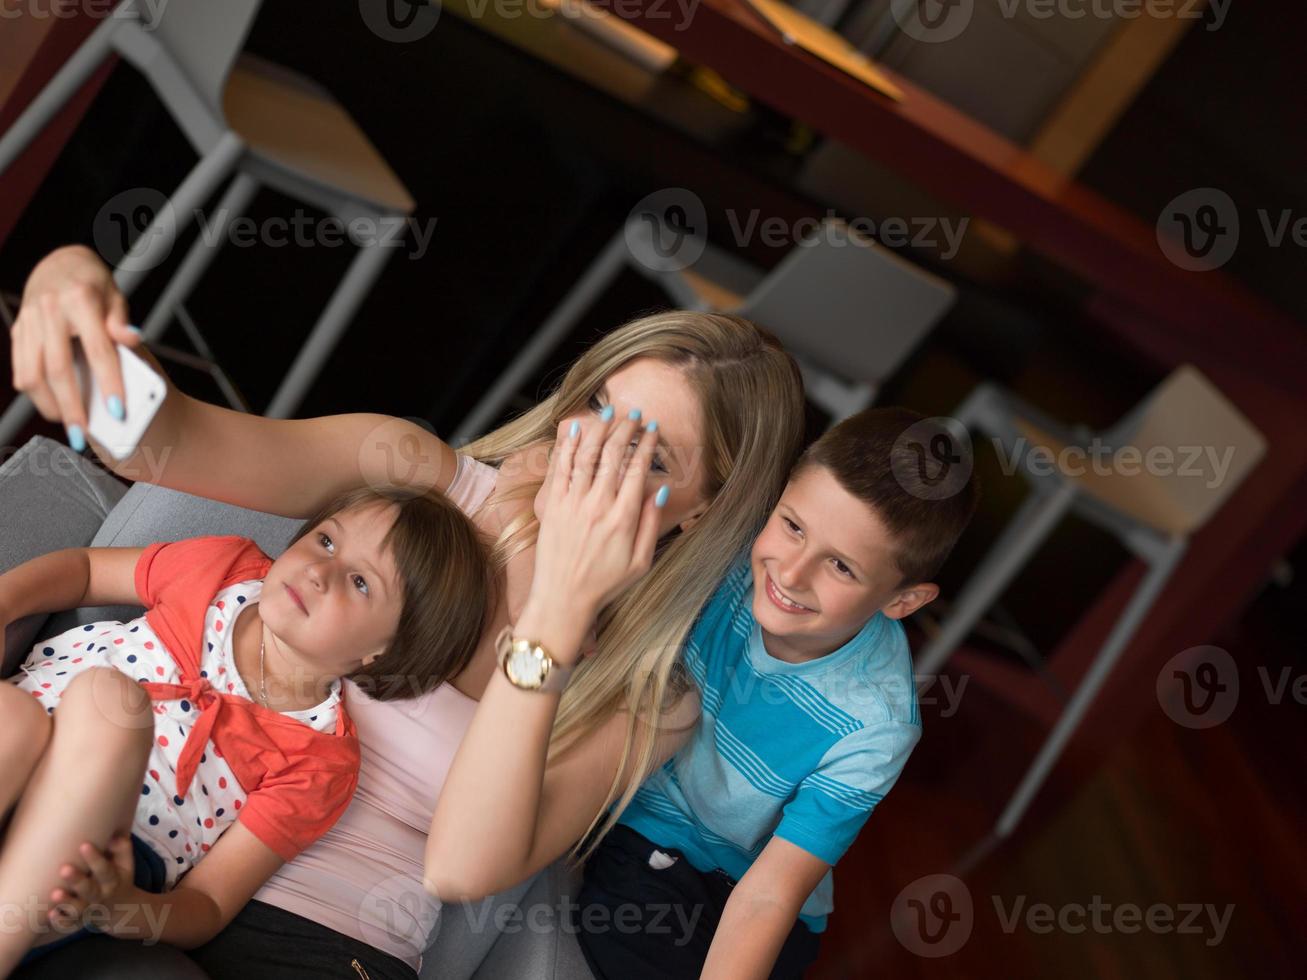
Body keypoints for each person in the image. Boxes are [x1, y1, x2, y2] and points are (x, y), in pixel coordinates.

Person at [8, 244, 807, 978]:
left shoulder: (645, 698)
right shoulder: (419, 478)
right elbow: (157, 444)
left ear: (702, 510)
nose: (587, 454)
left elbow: (458, 869)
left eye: (650, 455)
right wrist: (69, 282)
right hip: (158, 840)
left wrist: (561, 608)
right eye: (599, 407)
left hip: (321, 940)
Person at [557, 408, 978, 979]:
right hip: (634, 810)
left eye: (840, 567)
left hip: (729, 879)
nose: (791, 572)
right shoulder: (725, 550)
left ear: (902, 601)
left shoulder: (876, 720)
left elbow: (770, 893)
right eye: (793, 526)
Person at [0, 486, 492, 975]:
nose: (320, 572)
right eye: (325, 541)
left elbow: (209, 902)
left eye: (360, 582)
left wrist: (123, 907)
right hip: (19, 744)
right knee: (17, 716)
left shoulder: (319, 759)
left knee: (110, 704)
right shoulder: (223, 569)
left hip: (95, 852)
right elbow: (85, 571)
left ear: (384, 651)